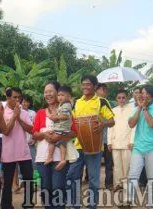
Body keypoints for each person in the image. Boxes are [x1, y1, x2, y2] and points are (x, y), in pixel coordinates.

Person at [67, 75, 115, 209]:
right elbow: (72, 121)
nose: (85, 87)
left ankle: (92, 206)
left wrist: (103, 124)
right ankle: (75, 205)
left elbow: (112, 121)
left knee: (93, 180)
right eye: (83, 84)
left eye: (88, 84)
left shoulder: (102, 101)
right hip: (78, 146)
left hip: (95, 147)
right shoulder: (76, 102)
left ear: (95, 86)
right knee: (72, 176)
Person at [33, 81, 77, 209]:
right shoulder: (41, 113)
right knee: (46, 191)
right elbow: (34, 133)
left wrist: (60, 136)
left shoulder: (65, 111)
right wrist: (44, 135)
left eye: (50, 91)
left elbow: (74, 132)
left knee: (58, 189)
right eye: (45, 92)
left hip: (60, 158)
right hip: (42, 158)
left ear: (58, 93)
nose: (47, 94)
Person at [127, 85, 153, 206]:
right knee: (133, 174)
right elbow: (131, 124)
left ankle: (151, 204)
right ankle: (129, 201)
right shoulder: (136, 108)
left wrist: (144, 109)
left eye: (146, 93)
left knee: (152, 178)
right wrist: (139, 108)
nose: (143, 95)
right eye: (142, 93)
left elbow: (152, 124)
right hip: (138, 147)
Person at [1, 87, 34, 209]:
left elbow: (31, 129)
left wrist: (19, 117)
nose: (18, 100)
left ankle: (28, 204)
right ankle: (6, 205)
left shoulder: (24, 112)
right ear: (8, 97)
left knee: (29, 179)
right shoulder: (2, 112)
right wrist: (14, 116)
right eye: (14, 97)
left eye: (19, 97)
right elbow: (6, 132)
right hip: (8, 152)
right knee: (8, 182)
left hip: (23, 152)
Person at [108, 89, 133, 192]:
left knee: (127, 166)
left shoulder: (132, 109)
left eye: (123, 97)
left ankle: (127, 186)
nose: (121, 100)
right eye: (119, 98)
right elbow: (110, 126)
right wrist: (109, 141)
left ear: (127, 98)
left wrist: (132, 141)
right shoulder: (113, 110)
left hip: (127, 143)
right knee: (117, 165)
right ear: (116, 99)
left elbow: (134, 127)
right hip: (115, 142)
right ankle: (118, 184)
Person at [45, 85, 72, 171]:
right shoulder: (63, 105)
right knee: (62, 142)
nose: (60, 97)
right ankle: (62, 159)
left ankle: (50, 156)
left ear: (68, 96)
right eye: (59, 95)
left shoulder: (66, 105)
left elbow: (65, 116)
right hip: (63, 128)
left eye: (62, 95)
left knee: (51, 139)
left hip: (62, 128)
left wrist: (56, 117)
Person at [96, 83, 114, 189]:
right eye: (102, 89)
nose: (104, 91)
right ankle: (93, 181)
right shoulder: (93, 103)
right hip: (97, 138)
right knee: (95, 163)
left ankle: (108, 183)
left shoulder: (107, 102)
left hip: (107, 137)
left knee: (108, 163)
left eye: (105, 89)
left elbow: (111, 120)